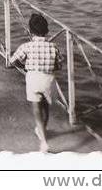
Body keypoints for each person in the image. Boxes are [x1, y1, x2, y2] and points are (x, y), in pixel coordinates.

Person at [10, 13, 63, 152]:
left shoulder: (26, 46)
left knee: (36, 108)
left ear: (30, 31)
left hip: (33, 79)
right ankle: (42, 131)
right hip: (48, 80)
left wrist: (25, 66)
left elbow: (12, 61)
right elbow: (59, 65)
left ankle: (44, 141)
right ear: (46, 31)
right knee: (45, 107)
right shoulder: (54, 47)